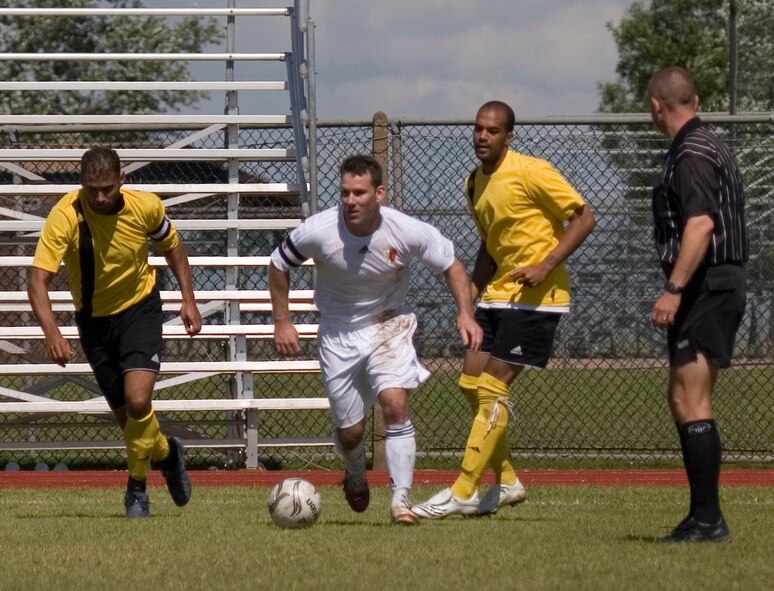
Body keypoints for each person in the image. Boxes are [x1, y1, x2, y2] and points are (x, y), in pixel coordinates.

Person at [269, 154, 482, 526]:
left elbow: (452, 265)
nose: (350, 201)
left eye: (360, 193)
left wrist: (465, 312)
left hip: (388, 324)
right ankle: (354, 471)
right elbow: (278, 263)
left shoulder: (404, 229)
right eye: (345, 193)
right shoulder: (319, 230)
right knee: (351, 433)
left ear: (379, 193)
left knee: (395, 404)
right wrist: (282, 322)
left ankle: (401, 500)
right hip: (338, 332)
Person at [413, 100, 596, 519]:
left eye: (492, 130)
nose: (482, 136)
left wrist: (546, 264)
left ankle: (462, 490)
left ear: (509, 136)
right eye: (478, 128)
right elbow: (489, 244)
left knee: (494, 389)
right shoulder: (473, 183)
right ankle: (509, 481)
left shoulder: (533, 171)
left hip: (537, 301)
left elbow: (585, 217)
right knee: (470, 383)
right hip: (495, 297)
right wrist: (471, 296)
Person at [28, 146, 202, 519]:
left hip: (140, 310)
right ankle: (169, 455)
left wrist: (188, 299)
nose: (101, 196)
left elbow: (173, 246)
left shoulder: (146, 207)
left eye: (107, 187)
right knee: (131, 424)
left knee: (138, 401)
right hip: (94, 323)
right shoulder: (64, 216)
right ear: (81, 185)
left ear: (122, 180)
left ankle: (136, 489)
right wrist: (52, 333)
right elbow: (37, 280)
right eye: (92, 189)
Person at [647, 67, 747, 543]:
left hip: (705, 286)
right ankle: (700, 515)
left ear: (655, 105)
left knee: (692, 398)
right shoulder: (711, 144)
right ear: (696, 99)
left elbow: (701, 225)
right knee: (684, 397)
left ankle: (709, 520)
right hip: (713, 285)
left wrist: (675, 288)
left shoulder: (690, 152)